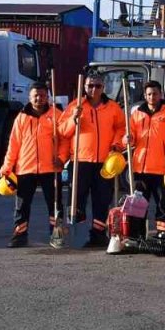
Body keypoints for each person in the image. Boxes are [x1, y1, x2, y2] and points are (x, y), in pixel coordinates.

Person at [58, 73, 126, 247]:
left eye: (97, 86)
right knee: (77, 199)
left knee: (102, 199)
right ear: (84, 87)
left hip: (105, 162)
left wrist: (117, 145)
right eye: (90, 86)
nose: (93, 89)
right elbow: (62, 132)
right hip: (81, 161)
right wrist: (74, 119)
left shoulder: (113, 107)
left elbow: (122, 128)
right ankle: (77, 233)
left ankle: (98, 233)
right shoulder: (76, 106)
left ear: (103, 87)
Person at [0, 82, 69, 247]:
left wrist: (61, 157)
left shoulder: (57, 115)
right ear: (29, 97)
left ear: (47, 97)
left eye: (43, 95)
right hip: (25, 168)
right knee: (22, 205)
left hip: (51, 168)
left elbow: (65, 140)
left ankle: (56, 234)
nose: (39, 98)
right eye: (35, 95)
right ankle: (20, 235)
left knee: (55, 204)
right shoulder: (22, 117)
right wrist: (7, 167)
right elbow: (14, 144)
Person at [126, 80, 165, 238]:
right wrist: (127, 139)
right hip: (140, 168)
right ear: (145, 95)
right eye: (149, 94)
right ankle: (137, 234)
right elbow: (132, 137)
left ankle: (162, 233)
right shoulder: (137, 114)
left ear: (160, 94)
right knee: (138, 204)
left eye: (155, 93)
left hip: (162, 168)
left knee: (162, 203)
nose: (152, 97)